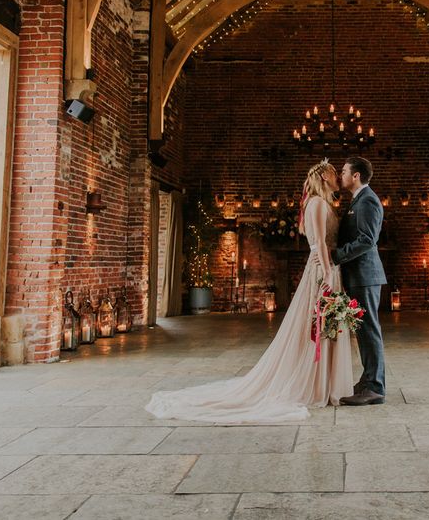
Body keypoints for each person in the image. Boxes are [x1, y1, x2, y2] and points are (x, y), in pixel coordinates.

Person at [145, 159, 353, 424]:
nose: (337, 177)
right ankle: (314, 382)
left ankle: (323, 382)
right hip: (323, 272)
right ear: (324, 176)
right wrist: (326, 273)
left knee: (324, 325)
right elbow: (321, 244)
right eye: (334, 173)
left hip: (328, 269)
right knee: (317, 324)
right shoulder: (317, 204)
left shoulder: (320, 203)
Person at [332, 156, 387, 405]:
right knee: (363, 332)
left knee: (369, 330)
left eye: (343, 171)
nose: (340, 175)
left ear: (356, 176)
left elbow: (367, 240)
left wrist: (337, 256)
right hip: (358, 275)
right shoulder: (358, 200)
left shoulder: (367, 201)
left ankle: (374, 387)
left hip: (365, 275)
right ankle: (367, 381)